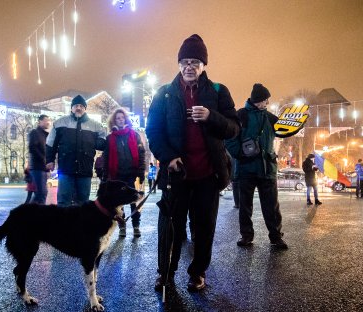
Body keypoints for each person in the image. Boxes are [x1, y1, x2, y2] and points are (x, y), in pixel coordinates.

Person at [146, 34, 239, 292]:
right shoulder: (164, 93)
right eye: (185, 61)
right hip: (176, 175)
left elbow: (233, 128)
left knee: (204, 227)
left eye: (195, 62)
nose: (189, 66)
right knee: (170, 226)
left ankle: (197, 272)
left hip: (208, 175)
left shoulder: (218, 92)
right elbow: (153, 130)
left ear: (204, 65)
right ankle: (165, 272)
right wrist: (168, 157)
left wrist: (212, 117)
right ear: (178, 64)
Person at [225, 83, 288, 250]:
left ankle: (276, 237)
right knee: (245, 206)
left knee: (272, 206)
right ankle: (246, 236)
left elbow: (285, 131)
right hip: (246, 168)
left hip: (267, 168)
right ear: (257, 100)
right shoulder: (240, 115)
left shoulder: (270, 117)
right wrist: (240, 153)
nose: (267, 103)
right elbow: (229, 137)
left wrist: (299, 124)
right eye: (265, 100)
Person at [46, 95, 106, 206]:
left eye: (81, 106)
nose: (78, 108)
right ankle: (64, 223)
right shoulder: (60, 123)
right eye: (76, 106)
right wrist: (50, 160)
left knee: (83, 202)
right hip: (66, 169)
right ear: (71, 108)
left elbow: (103, 140)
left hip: (85, 169)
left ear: (85, 108)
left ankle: (80, 224)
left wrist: (97, 143)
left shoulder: (96, 126)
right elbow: (50, 143)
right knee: (64, 201)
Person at [102, 108, 146, 238]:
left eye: (122, 118)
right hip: (116, 176)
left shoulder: (134, 135)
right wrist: (105, 175)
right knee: (119, 204)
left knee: (134, 202)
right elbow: (106, 157)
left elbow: (141, 154)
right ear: (114, 121)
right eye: (117, 118)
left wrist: (141, 171)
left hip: (132, 174)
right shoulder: (110, 138)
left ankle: (136, 226)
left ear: (126, 119)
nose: (120, 120)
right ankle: (122, 227)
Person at [28, 114, 52, 204]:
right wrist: (43, 160)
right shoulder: (35, 133)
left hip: (43, 168)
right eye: (46, 120)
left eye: (49, 120)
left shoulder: (46, 135)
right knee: (41, 193)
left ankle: (35, 213)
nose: (48, 122)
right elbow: (33, 148)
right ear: (40, 121)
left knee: (42, 193)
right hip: (37, 167)